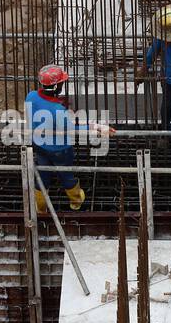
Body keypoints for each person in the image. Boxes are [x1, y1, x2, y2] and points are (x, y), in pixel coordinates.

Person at [25, 64, 113, 215]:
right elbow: (71, 129)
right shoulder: (58, 110)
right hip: (60, 150)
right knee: (66, 175)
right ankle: (76, 202)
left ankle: (40, 208)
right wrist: (97, 128)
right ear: (57, 86)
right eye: (61, 83)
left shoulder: (31, 96)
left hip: (39, 145)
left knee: (42, 175)